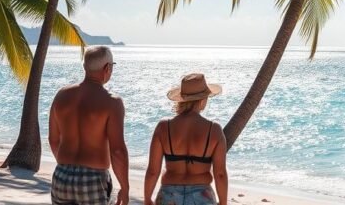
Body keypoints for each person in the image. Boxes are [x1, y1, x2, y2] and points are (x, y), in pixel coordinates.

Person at [48, 46, 130, 205]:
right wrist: (125, 188)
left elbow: (53, 140)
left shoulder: (61, 95)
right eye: (112, 66)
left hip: (61, 176)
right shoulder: (112, 102)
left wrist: (67, 167)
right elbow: (117, 151)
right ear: (107, 68)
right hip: (93, 179)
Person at [144, 73, 228, 205]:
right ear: (203, 99)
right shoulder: (214, 130)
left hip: (169, 195)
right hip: (201, 196)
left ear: (181, 99)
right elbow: (220, 174)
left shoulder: (163, 127)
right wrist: (223, 202)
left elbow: (153, 171)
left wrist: (147, 198)